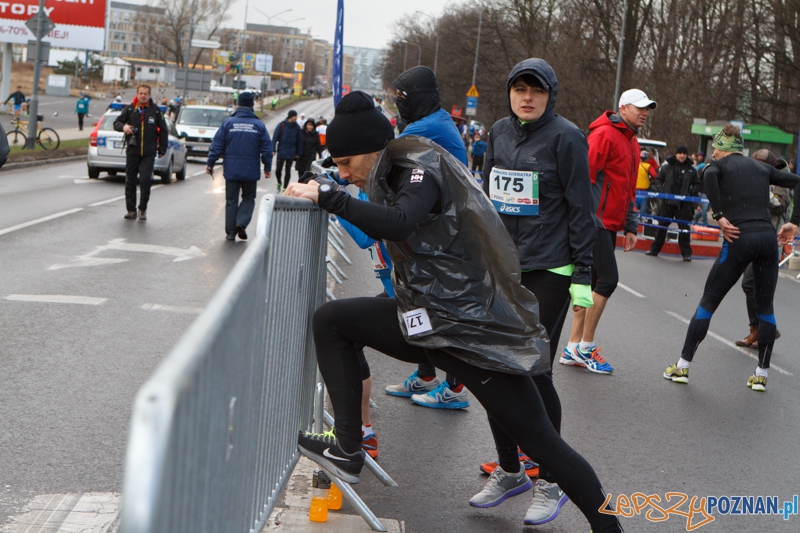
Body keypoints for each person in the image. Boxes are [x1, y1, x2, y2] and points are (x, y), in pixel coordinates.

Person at [286, 91, 622, 533]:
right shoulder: (389, 169)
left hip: (468, 332)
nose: (344, 174)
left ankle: (609, 527)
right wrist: (332, 188)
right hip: (431, 320)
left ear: (371, 149)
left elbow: (401, 221)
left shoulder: (418, 168)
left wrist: (331, 196)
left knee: (544, 445)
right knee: (333, 321)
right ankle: (348, 447)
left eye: (346, 163)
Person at [475, 58, 596, 525]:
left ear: (550, 95)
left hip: (553, 268)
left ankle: (550, 479)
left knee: (533, 370)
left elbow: (582, 207)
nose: (527, 98)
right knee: (492, 363)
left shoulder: (567, 137)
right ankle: (509, 470)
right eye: (520, 89)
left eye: (537, 91)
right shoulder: (498, 133)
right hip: (505, 267)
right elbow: (487, 203)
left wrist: (583, 274)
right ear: (509, 92)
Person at [663, 126, 800, 392]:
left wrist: (718, 215)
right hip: (767, 240)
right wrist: (794, 223)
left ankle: (682, 367)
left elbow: (708, 173)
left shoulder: (718, 165)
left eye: (715, 149)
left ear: (723, 147)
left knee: (708, 302)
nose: (713, 154)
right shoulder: (761, 168)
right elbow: (797, 181)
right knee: (766, 308)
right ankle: (761, 375)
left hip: (739, 238)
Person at [384, 65, 470, 408]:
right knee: (420, 302)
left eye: (403, 97)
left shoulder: (428, 126)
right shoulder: (433, 121)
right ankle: (425, 375)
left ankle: (455, 389)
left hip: (450, 230)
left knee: (442, 308)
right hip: (437, 226)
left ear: (419, 97)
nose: (399, 103)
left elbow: (387, 151)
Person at [562, 88, 656, 374]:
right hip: (594, 222)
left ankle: (572, 347)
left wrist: (630, 225)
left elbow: (628, 189)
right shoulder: (604, 134)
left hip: (610, 223)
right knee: (608, 280)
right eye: (639, 107)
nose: (644, 113)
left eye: (647, 108)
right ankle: (586, 347)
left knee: (590, 284)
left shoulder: (633, 141)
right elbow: (583, 178)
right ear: (623, 108)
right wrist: (583, 219)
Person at [734, 149, 791, 349]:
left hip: (771, 241)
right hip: (752, 237)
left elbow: (779, 205)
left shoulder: (781, 181)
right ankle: (757, 330)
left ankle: (765, 328)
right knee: (752, 285)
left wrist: (759, 188)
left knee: (752, 284)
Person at [205, 92, 273, 241]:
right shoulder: (259, 125)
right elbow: (267, 148)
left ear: (238, 104)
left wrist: (210, 163)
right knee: (249, 198)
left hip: (231, 168)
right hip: (251, 169)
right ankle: (241, 222)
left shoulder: (228, 123)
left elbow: (217, 145)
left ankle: (230, 233)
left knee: (231, 201)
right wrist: (267, 167)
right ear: (252, 105)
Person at [393, 66, 468, 166]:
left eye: (400, 95)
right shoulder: (441, 116)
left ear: (415, 97)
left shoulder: (428, 125)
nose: (398, 101)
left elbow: (390, 152)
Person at [113, 84, 167, 221]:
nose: (143, 96)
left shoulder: (155, 111)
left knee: (145, 180)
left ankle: (142, 209)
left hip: (148, 153)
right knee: (130, 180)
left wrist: (162, 149)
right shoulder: (130, 109)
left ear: (149, 95)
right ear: (137, 94)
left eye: (146, 93)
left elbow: (163, 130)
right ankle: (131, 210)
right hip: (132, 151)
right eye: (141, 93)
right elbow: (116, 123)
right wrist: (124, 127)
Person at [645, 145, 700, 261]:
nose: (682, 156)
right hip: (667, 203)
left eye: (684, 154)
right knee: (661, 228)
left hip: (684, 204)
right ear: (676, 154)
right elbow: (658, 180)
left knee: (684, 230)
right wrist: (662, 191)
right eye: (680, 153)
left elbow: (697, 184)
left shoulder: (691, 170)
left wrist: (690, 193)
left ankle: (686, 254)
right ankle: (654, 250)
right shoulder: (667, 167)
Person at [272, 109, 303, 193]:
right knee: (278, 170)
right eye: (294, 116)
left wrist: (298, 153)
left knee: (288, 170)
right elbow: (274, 138)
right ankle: (279, 182)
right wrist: (273, 149)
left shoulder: (297, 127)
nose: (296, 118)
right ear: (290, 116)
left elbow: (300, 141)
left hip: (291, 152)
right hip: (281, 151)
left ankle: (285, 187)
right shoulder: (281, 125)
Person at [636, 149, 657, 213]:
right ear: (646, 158)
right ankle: (642, 216)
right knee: (644, 203)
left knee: (635, 203)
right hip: (644, 188)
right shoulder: (648, 166)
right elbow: (654, 175)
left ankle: (634, 216)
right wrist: (650, 179)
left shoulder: (635, 165)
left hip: (635, 188)